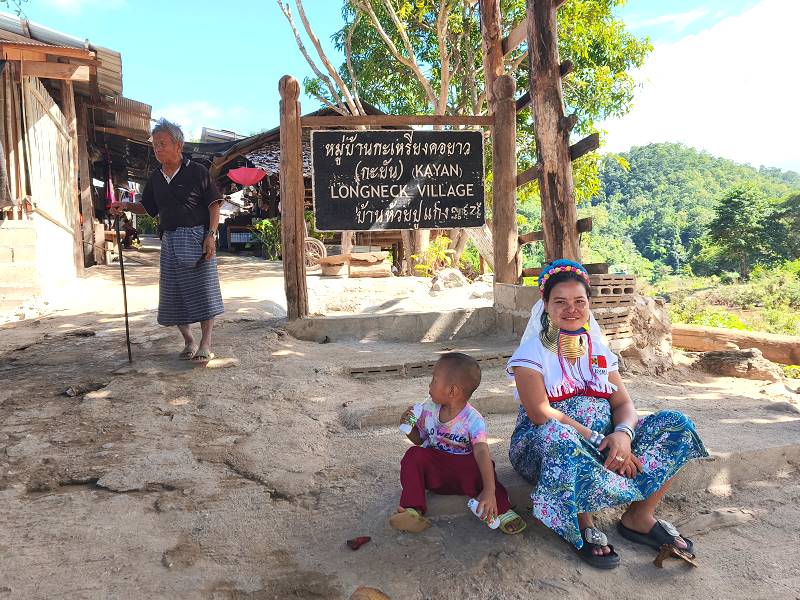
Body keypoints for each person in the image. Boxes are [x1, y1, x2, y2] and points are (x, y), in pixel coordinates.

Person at [506, 259, 708, 569]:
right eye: (560, 301)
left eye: (579, 301)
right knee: (557, 434)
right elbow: (540, 413)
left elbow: (624, 406)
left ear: (588, 305)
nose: (571, 309)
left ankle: (640, 517)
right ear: (545, 305)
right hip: (550, 448)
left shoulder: (599, 352)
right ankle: (581, 523)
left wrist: (623, 436)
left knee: (676, 424)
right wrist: (603, 439)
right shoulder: (530, 354)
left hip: (607, 445)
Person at [110, 119, 223, 362]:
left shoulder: (197, 171)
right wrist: (127, 205)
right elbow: (147, 208)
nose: (157, 149)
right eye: (155, 145)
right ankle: (189, 341)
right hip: (170, 241)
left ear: (178, 145)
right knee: (174, 294)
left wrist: (211, 236)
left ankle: (206, 342)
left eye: (162, 144)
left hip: (197, 238)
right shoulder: (156, 178)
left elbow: (215, 206)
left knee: (204, 291)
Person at [390, 352, 527, 535]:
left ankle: (499, 508)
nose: (429, 385)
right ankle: (411, 510)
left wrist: (489, 490)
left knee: (483, 464)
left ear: (452, 391)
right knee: (413, 454)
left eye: (434, 380)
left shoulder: (473, 419)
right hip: (436, 474)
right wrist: (408, 426)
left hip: (464, 476)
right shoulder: (428, 411)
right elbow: (421, 441)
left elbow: (481, 451)